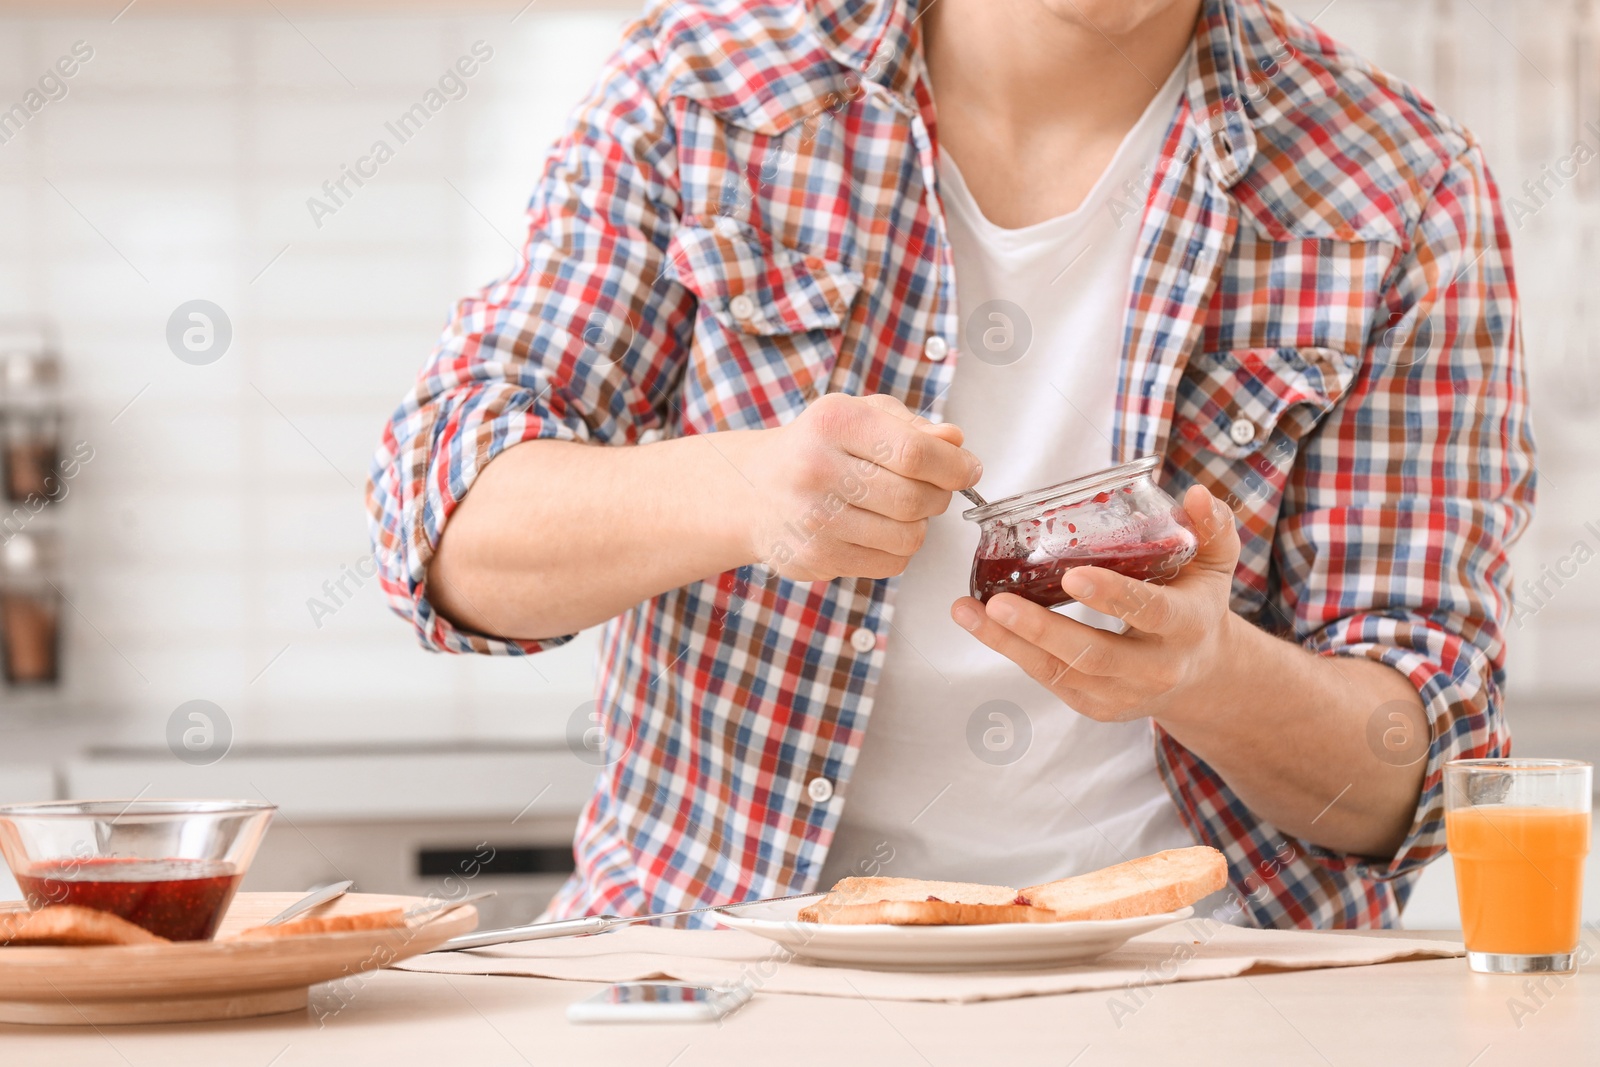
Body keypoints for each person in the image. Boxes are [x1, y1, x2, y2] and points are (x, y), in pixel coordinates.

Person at [368, 0, 1534, 928]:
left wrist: (1204, 668)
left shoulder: (1398, 186)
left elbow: (1411, 789)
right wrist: (743, 490)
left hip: (1201, 993)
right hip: (721, 976)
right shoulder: (703, 91)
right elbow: (440, 528)